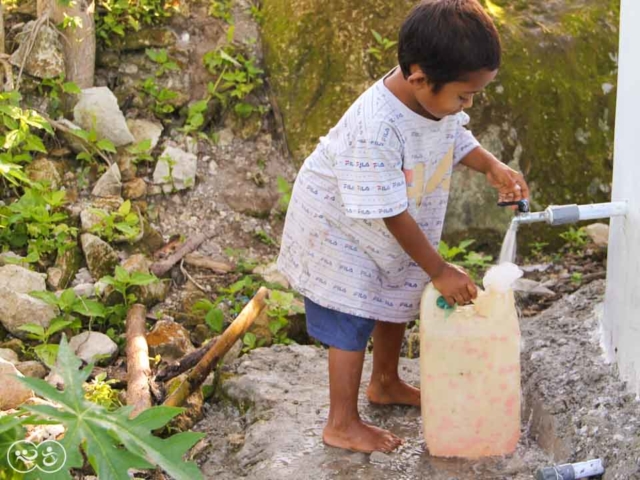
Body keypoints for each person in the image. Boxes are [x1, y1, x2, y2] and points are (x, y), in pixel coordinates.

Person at [276, 0, 530, 454]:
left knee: (396, 294)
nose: (467, 105)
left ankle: (386, 382)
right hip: (341, 228)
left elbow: (454, 135)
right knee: (351, 317)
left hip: (387, 224)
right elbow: (390, 213)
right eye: (463, 95)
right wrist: (440, 270)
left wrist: (490, 165)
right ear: (418, 77)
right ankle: (341, 422)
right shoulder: (377, 127)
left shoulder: (435, 104)